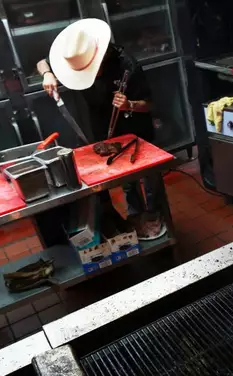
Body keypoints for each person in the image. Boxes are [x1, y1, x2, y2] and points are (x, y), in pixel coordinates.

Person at [37, 19, 163, 239]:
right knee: (126, 182)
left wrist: (129, 104)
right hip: (103, 128)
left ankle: (155, 215)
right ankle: (135, 215)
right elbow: (41, 62)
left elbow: (150, 104)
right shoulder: (74, 57)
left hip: (135, 129)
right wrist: (47, 74)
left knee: (149, 177)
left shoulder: (126, 65)